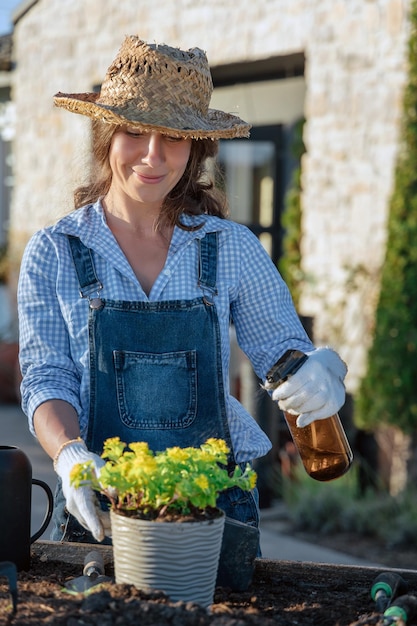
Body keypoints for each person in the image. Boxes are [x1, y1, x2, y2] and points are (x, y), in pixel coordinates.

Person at [18, 36, 347, 550]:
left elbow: (283, 351)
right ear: (107, 136)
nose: (153, 156)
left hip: (217, 501)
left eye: (172, 137)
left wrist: (316, 371)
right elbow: (46, 377)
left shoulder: (229, 246)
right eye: (134, 131)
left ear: (195, 148)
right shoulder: (56, 249)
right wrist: (69, 455)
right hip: (104, 500)